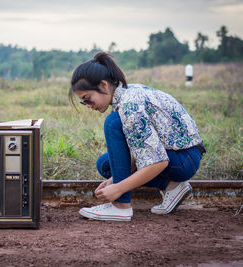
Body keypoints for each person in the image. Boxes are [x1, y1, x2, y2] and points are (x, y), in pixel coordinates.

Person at [69, 52, 206, 221]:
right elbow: (140, 148)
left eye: (87, 99)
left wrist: (118, 189)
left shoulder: (129, 105)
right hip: (179, 156)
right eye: (84, 102)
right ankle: (172, 186)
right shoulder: (125, 95)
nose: (87, 106)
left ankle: (120, 206)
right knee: (105, 166)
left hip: (184, 159)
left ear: (104, 86)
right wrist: (114, 181)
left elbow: (158, 161)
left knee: (112, 123)